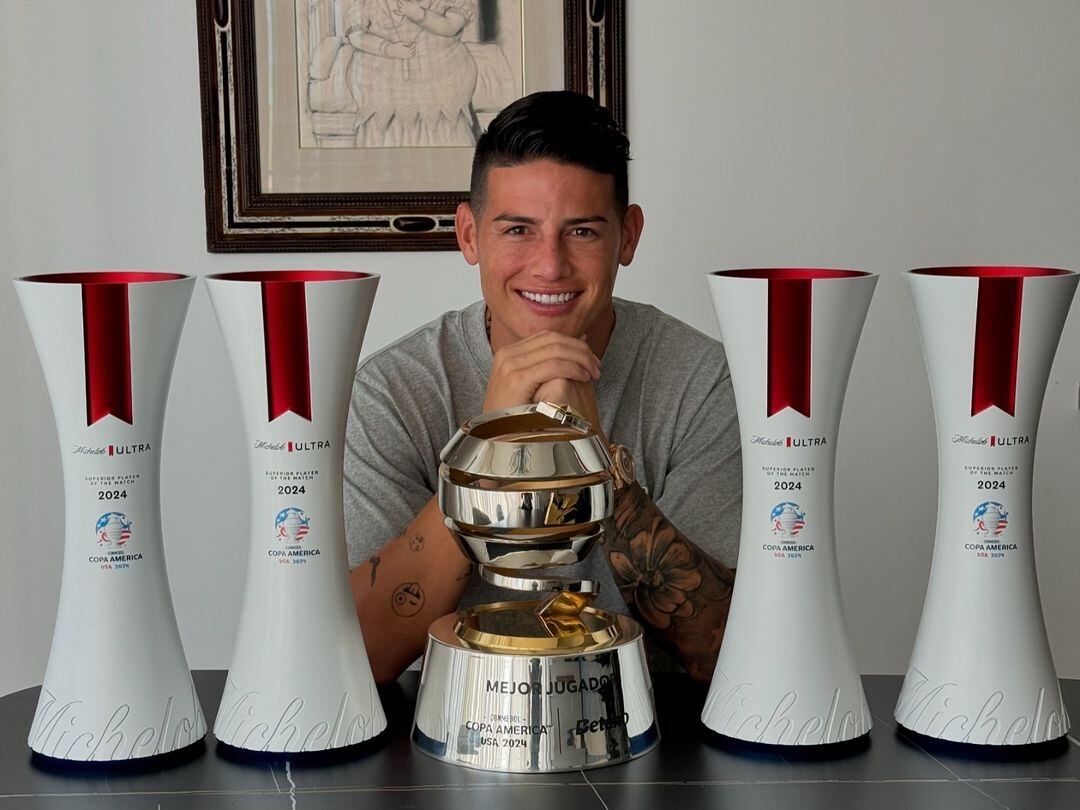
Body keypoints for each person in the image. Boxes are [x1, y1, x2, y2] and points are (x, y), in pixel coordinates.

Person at [344, 90, 740, 684]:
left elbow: (733, 652)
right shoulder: (391, 391)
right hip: (443, 742)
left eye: (581, 231)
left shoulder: (701, 382)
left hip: (652, 741)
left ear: (627, 237)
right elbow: (355, 657)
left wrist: (595, 461)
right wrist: (488, 450)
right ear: (470, 234)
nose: (549, 266)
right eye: (518, 230)